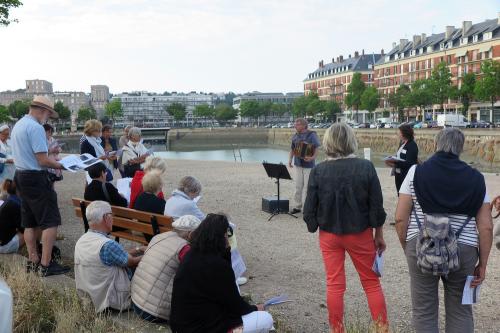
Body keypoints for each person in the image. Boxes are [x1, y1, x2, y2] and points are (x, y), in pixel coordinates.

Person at [395, 128, 493, 333]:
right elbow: (485, 226)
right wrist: (482, 264)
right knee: (460, 310)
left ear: (437, 144)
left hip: (422, 243)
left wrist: (408, 247)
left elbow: (400, 217)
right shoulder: (477, 178)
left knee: (423, 310)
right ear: (461, 147)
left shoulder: (415, 172)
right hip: (464, 249)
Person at [303, 123, 388, 333]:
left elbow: (309, 210)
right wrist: (378, 233)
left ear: (328, 142)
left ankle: (337, 330)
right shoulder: (366, 167)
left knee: (334, 284)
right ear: (351, 141)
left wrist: (314, 225)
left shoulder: (318, 170)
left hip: (329, 234)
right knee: (371, 283)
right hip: (359, 232)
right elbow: (376, 205)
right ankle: (381, 329)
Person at [170, 213, 273, 333]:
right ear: (221, 237)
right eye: (226, 235)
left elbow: (226, 288)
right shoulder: (217, 265)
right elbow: (236, 306)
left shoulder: (192, 254)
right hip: (202, 327)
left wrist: (226, 253)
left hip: (181, 325)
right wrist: (255, 308)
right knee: (266, 319)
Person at [10, 96, 69, 276]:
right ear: (44, 111)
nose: (48, 118)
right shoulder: (36, 127)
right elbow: (42, 160)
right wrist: (63, 164)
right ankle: (46, 264)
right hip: (36, 178)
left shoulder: (18, 125)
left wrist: (49, 153)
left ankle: (33, 259)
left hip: (20, 176)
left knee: (30, 222)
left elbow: (28, 152)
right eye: (49, 114)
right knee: (50, 221)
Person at [74, 200, 145, 313]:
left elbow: (118, 255)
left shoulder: (83, 240)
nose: (113, 218)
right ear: (106, 217)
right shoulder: (107, 245)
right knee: (146, 266)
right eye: (112, 215)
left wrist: (138, 249)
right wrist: (152, 252)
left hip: (91, 296)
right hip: (112, 302)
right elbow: (131, 262)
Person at [131, 215, 201, 323]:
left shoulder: (158, 237)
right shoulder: (184, 248)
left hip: (136, 302)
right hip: (154, 312)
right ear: (190, 235)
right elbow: (197, 275)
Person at [288, 118, 320, 214]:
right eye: (295, 124)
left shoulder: (312, 135)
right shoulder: (295, 136)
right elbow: (292, 149)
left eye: (297, 124)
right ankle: (297, 206)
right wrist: (290, 160)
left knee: (307, 187)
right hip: (298, 164)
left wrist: (312, 157)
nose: (295, 126)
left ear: (304, 125)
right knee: (298, 186)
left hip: (309, 165)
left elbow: (317, 147)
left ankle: (307, 208)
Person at [385, 124, 419, 193]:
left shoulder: (412, 145)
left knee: (405, 193)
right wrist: (392, 158)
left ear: (404, 133)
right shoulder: (402, 143)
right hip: (398, 174)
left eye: (399, 132)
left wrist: (394, 164)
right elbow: (400, 156)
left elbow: (410, 163)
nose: (398, 134)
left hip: (406, 175)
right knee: (399, 193)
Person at [0, 179, 24, 254]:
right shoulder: (16, 204)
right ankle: (34, 252)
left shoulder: (6, 200)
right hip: (3, 246)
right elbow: (23, 228)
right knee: (30, 232)